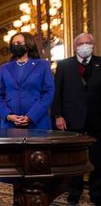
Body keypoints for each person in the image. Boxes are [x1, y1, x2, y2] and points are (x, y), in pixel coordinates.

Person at [52, 33, 101, 206]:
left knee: (98, 160)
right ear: (75, 46)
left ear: (93, 45)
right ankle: (74, 193)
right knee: (75, 160)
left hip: (97, 119)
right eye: (82, 43)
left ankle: (97, 194)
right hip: (72, 119)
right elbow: (57, 93)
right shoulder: (64, 65)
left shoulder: (100, 63)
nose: (85, 45)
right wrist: (58, 115)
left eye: (89, 42)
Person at [0, 32, 54, 129]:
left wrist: (31, 116)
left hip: (37, 122)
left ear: (28, 45)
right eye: (13, 44)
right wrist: (8, 115)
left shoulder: (43, 65)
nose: (15, 46)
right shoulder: (4, 68)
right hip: (10, 124)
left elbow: (48, 93)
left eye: (19, 43)